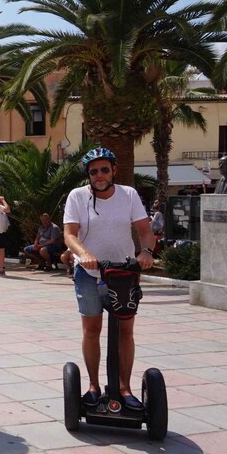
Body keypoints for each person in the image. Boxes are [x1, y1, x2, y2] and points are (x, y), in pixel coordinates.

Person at [63, 147, 154, 411]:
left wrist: (146, 252)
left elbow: (145, 230)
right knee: (92, 331)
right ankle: (93, 386)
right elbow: (70, 234)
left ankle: (124, 388)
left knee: (125, 332)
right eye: (94, 171)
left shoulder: (129, 195)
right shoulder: (77, 196)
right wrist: (84, 254)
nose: (99, 175)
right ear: (88, 175)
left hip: (124, 274)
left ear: (114, 170)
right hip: (90, 274)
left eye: (104, 169)